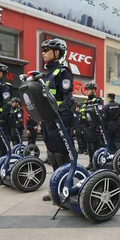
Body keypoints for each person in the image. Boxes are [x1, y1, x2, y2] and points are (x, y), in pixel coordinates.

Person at [39, 38, 75, 201]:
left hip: (58, 120)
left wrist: (61, 120)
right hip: (48, 121)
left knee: (61, 155)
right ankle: (56, 187)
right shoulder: (46, 75)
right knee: (52, 155)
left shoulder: (63, 72)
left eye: (46, 50)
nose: (43, 53)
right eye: (43, 50)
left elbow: (67, 100)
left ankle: (67, 187)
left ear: (57, 52)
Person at [79, 82, 104, 171]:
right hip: (86, 128)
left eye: (89, 90)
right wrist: (81, 127)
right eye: (86, 90)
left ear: (93, 91)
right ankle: (90, 162)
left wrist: (98, 126)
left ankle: (95, 163)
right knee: (89, 147)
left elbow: (100, 114)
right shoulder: (85, 103)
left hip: (94, 128)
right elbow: (82, 115)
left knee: (94, 146)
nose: (87, 91)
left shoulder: (98, 100)